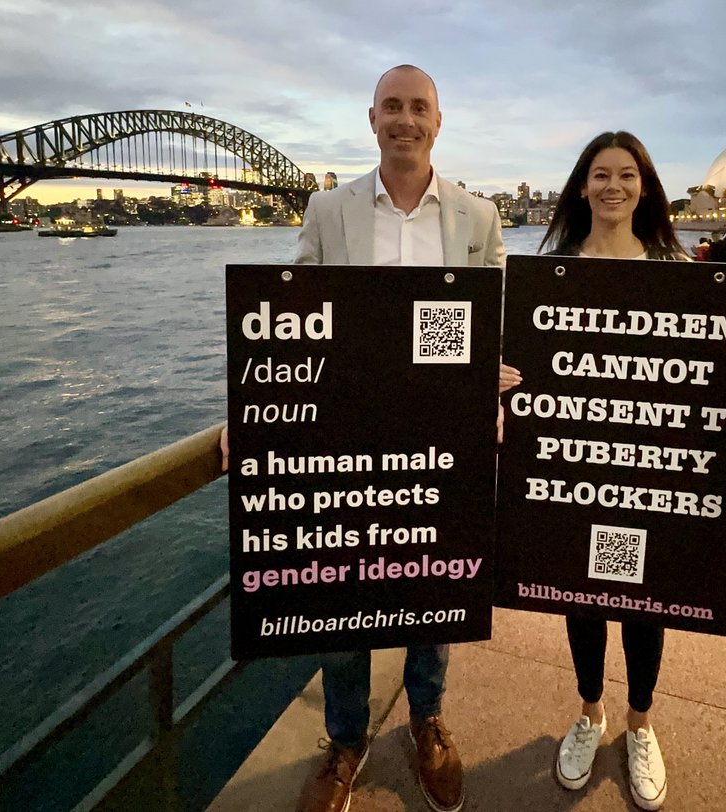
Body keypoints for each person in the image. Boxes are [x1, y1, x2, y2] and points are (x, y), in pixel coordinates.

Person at [223, 64, 506, 812]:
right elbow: (292, 322)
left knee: (432, 585)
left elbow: (493, 325)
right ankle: (346, 742)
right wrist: (250, 406)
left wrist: (499, 386)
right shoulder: (329, 209)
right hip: (348, 431)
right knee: (338, 589)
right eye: (393, 107)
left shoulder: (478, 219)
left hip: (439, 431)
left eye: (419, 108)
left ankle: (427, 720)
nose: (405, 119)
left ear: (438, 122)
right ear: (371, 119)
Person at [518, 131, 726, 810]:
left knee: (644, 593)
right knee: (580, 592)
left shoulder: (674, 266)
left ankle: (640, 722)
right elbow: (529, 360)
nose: (613, 186)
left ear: (645, 186)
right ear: (582, 186)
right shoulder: (553, 269)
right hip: (577, 464)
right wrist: (503, 375)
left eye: (626, 175)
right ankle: (588, 713)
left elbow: (711, 358)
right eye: (601, 175)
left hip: (649, 468)